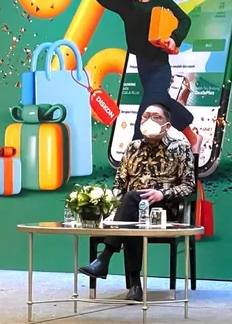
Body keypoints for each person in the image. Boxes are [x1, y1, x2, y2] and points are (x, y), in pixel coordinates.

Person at [78, 103, 196, 301]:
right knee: (131, 206)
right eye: (145, 116)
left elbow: (189, 186)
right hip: (131, 208)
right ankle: (134, 286)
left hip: (162, 209)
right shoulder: (132, 147)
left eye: (156, 117)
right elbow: (119, 184)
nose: (149, 120)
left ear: (167, 125)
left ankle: (106, 260)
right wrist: (112, 207)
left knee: (131, 201)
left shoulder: (180, 148)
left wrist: (162, 194)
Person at [94, 0, 200, 153]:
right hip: (143, 67)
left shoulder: (162, 1)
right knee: (164, 102)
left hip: (160, 67)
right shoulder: (127, 5)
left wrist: (174, 38)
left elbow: (185, 20)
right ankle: (194, 139)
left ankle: (134, 155)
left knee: (146, 112)